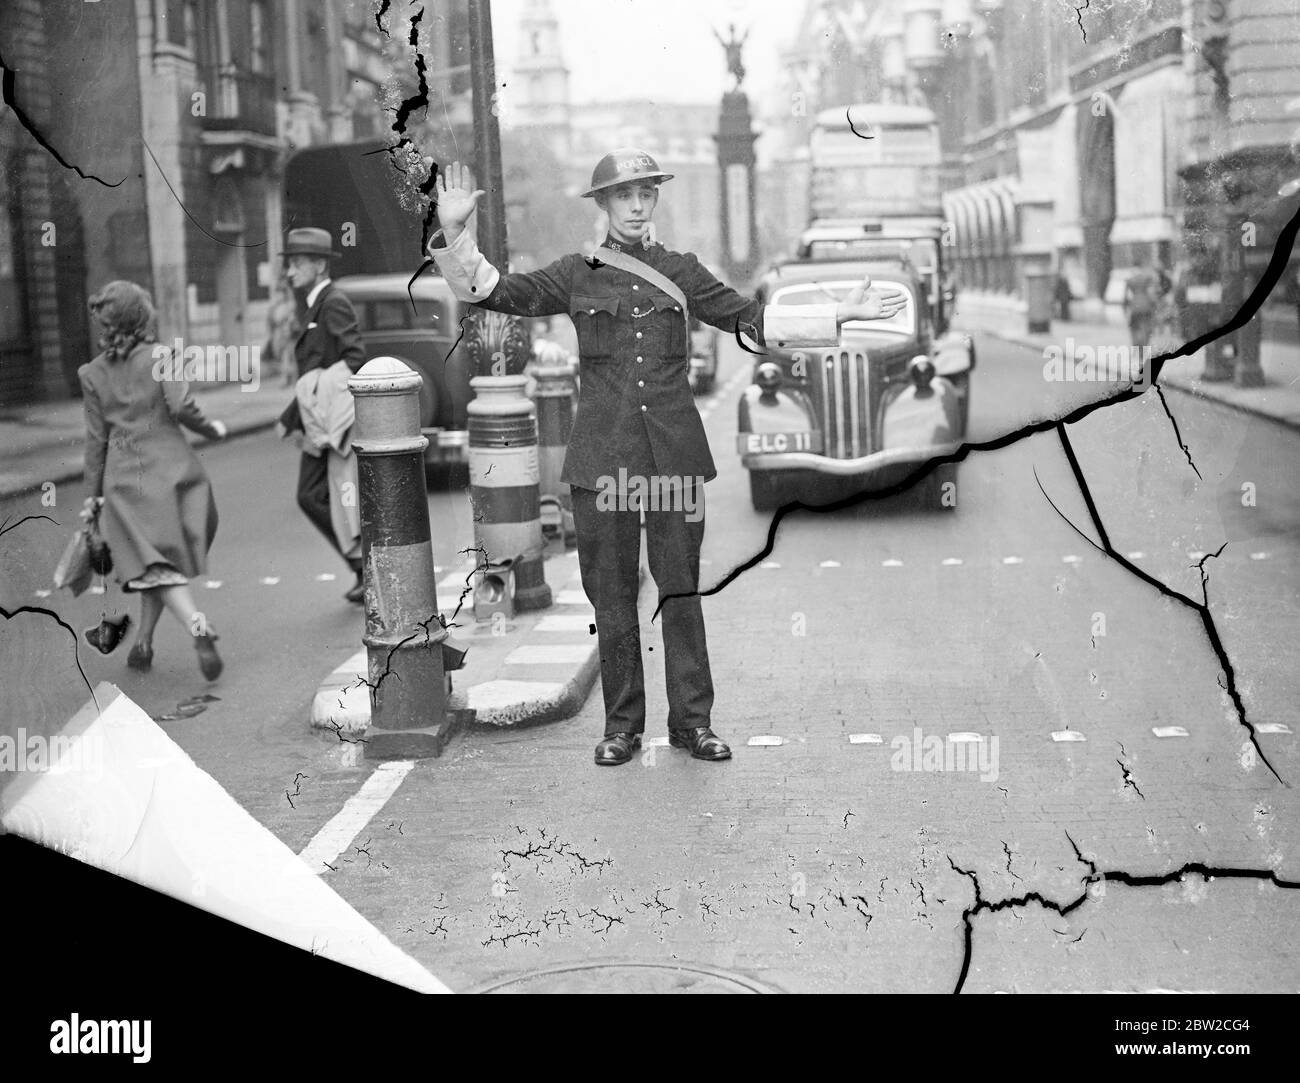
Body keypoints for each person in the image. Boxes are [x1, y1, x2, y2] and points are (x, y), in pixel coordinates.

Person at [427, 151, 907, 767]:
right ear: (603, 204)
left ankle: (692, 723)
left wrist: (839, 314)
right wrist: (455, 234)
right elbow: (494, 291)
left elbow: (749, 318)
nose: (635, 205)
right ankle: (622, 728)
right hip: (604, 462)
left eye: (646, 194)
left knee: (680, 591)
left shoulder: (681, 271)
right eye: (624, 195)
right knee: (613, 594)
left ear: (655, 200)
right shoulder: (576, 273)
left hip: (674, 461)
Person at [78, 281, 227, 679]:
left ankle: (192, 626)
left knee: (152, 567)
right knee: (157, 566)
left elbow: (96, 442)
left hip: (126, 482)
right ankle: (147, 642)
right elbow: (180, 405)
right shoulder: (164, 356)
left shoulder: (92, 374)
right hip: (173, 472)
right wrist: (212, 428)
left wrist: (92, 497)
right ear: (143, 318)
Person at [275, 227, 368, 603]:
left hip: (332, 421)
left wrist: (308, 401)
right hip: (317, 419)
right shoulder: (315, 302)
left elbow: (353, 358)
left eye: (297, 263)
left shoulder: (333, 302)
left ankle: (363, 564)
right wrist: (291, 414)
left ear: (317, 265)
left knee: (320, 495)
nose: (290, 271)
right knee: (312, 495)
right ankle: (361, 563)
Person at [1123, 253, 1161, 350]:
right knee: (1147, 328)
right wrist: (1155, 304)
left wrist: (1125, 308)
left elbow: (1125, 297)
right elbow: (1151, 293)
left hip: (1134, 307)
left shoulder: (1130, 280)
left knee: (1134, 328)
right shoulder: (1147, 278)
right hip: (1146, 306)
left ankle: (1137, 346)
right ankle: (1144, 345)